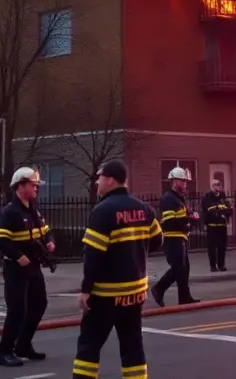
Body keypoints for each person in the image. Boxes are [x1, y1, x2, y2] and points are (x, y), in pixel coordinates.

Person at [73, 159, 162, 379]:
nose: (97, 182)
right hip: (135, 293)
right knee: (132, 345)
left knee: (89, 345)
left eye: (100, 177)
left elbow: (93, 255)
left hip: (106, 294)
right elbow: (158, 240)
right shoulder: (144, 208)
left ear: (110, 180)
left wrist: (86, 290)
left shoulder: (102, 211)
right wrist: (135, 250)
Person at [0, 166, 54, 367]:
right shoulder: (9, 212)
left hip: (34, 267)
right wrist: (18, 256)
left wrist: (49, 241)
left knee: (39, 304)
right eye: (33, 185)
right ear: (20, 186)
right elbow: (1, 240)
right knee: (17, 310)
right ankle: (5, 352)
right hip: (16, 269)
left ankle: (23, 345)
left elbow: (45, 231)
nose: (36, 189)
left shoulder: (34, 210)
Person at [150, 166, 200, 306]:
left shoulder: (178, 199)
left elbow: (184, 217)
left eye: (185, 182)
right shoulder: (168, 199)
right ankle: (158, 288)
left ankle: (184, 297)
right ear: (174, 182)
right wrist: (190, 220)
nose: (185, 184)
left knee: (185, 268)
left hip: (181, 237)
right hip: (172, 238)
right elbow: (170, 221)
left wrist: (192, 218)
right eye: (182, 181)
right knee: (178, 268)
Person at [200, 178, 232, 272]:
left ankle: (221, 265)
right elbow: (205, 211)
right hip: (212, 226)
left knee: (222, 246)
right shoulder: (207, 197)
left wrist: (224, 212)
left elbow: (228, 209)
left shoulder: (223, 196)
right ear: (212, 186)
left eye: (218, 185)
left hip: (222, 225)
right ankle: (213, 266)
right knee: (212, 248)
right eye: (215, 185)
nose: (216, 187)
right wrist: (205, 223)